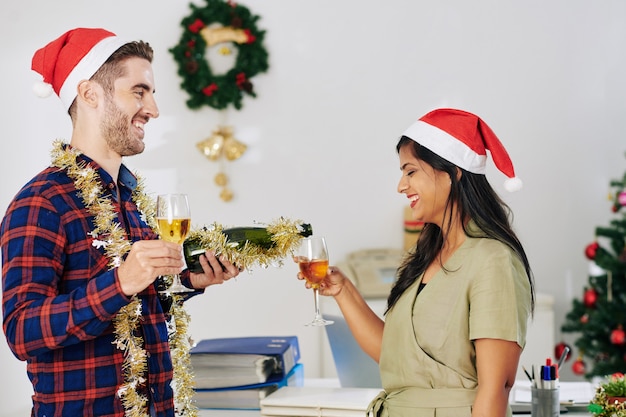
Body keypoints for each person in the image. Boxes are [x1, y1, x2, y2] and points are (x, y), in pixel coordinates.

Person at [1, 28, 240, 417]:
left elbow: (137, 306)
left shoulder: (131, 199)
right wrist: (121, 282)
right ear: (91, 94)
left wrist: (186, 280)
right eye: (140, 91)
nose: (154, 109)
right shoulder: (41, 201)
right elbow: (23, 332)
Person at [301, 108, 535, 417]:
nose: (401, 185)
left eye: (410, 171)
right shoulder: (423, 258)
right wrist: (344, 291)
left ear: (453, 171)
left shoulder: (494, 260)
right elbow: (396, 356)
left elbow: (495, 390)